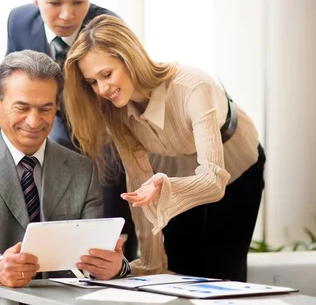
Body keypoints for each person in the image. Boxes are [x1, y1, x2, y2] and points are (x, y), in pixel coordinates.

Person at [63, 14, 265, 281]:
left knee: (224, 271)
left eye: (106, 74)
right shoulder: (116, 112)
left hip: (233, 165)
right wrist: (150, 263)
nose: (102, 88)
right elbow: (138, 191)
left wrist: (164, 188)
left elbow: (214, 180)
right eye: (92, 82)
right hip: (173, 171)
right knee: (179, 266)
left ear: (129, 57)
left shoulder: (193, 86)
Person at [0, 50, 130, 305]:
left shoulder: (81, 169)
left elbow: (95, 251)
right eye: (22, 107)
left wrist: (114, 267)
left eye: (45, 109)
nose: (34, 121)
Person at [0, 0, 138, 261]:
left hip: (104, 137)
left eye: (79, 2)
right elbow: (8, 90)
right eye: (54, 3)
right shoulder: (19, 21)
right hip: (48, 127)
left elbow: (122, 108)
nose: (67, 15)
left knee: (105, 239)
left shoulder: (108, 28)